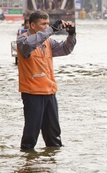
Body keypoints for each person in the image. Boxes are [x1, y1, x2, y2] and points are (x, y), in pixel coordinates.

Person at [16, 10, 76, 150]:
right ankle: (28, 162)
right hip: (32, 94)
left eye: (48, 24)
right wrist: (51, 30)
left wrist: (71, 35)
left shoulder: (48, 42)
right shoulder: (22, 41)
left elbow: (66, 49)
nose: (46, 27)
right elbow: (31, 44)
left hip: (49, 92)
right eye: (43, 24)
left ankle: (52, 164)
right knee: (31, 135)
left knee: (54, 136)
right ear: (32, 25)